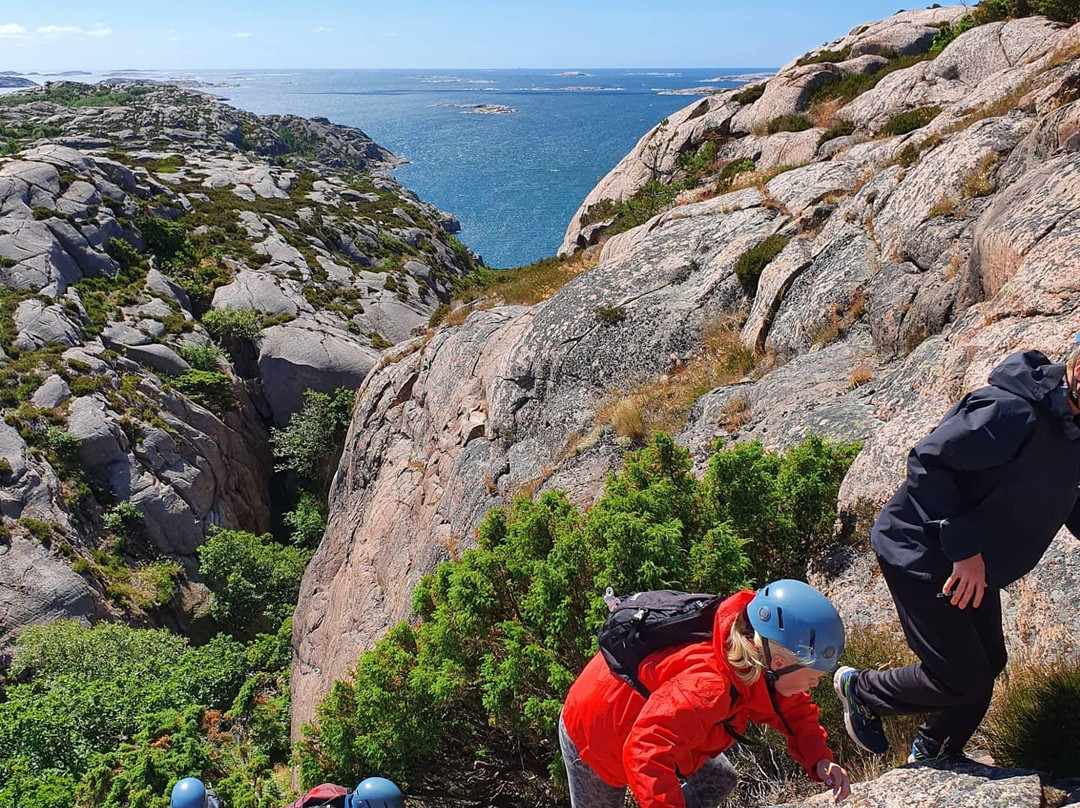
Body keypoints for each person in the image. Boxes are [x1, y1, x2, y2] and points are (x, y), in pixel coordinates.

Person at [834, 341, 1080, 763]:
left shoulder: (1075, 433)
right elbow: (930, 464)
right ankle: (863, 691)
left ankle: (934, 751)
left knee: (989, 662)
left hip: (975, 564)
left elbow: (1067, 498)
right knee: (964, 677)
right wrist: (964, 551)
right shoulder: (1011, 412)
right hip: (921, 550)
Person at [559, 579, 852, 808]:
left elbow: (792, 708)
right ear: (778, 663)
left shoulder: (754, 651)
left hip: (649, 721)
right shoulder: (707, 688)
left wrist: (819, 758)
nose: (814, 685)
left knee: (718, 779)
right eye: (813, 677)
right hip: (595, 734)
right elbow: (645, 752)